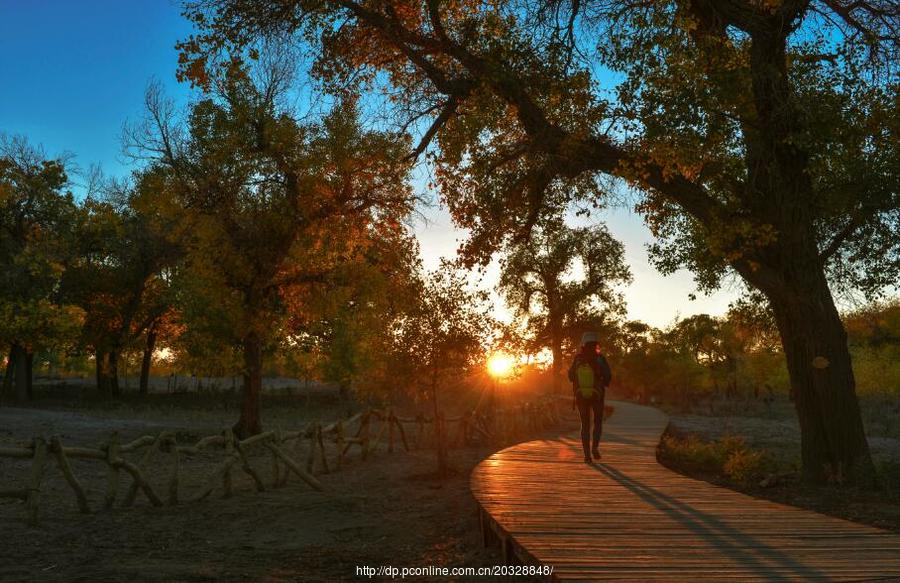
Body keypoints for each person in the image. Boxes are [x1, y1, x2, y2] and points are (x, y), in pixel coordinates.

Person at [567, 332, 611, 463]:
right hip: (597, 395)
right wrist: (602, 383)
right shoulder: (600, 358)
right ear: (596, 343)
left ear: (583, 344)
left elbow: (570, 376)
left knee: (585, 424)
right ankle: (595, 448)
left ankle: (587, 455)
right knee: (597, 422)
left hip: (581, 396)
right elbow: (608, 376)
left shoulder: (578, 359)